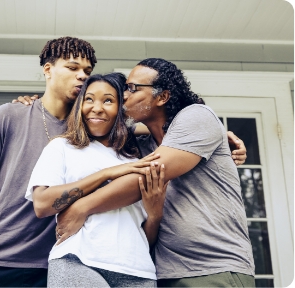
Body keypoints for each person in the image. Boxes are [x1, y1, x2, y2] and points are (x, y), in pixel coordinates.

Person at [54, 58, 256, 287]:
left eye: (132, 88)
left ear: (162, 97)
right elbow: (94, 123)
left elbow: (146, 174)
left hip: (215, 269)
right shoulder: (141, 146)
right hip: (162, 273)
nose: (124, 95)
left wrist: (82, 207)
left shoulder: (196, 116)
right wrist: (35, 107)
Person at [0, 36, 97, 288]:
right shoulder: (10, 115)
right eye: (72, 67)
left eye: (87, 71)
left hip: (60, 266)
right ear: (48, 70)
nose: (82, 76)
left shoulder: (91, 130)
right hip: (0, 261)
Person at [26, 72, 166, 287]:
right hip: (78, 262)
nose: (97, 108)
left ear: (121, 108)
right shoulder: (62, 147)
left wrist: (155, 214)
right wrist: (106, 173)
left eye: (108, 100)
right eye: (89, 99)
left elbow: (142, 234)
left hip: (139, 270)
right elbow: (42, 204)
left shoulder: (137, 156)